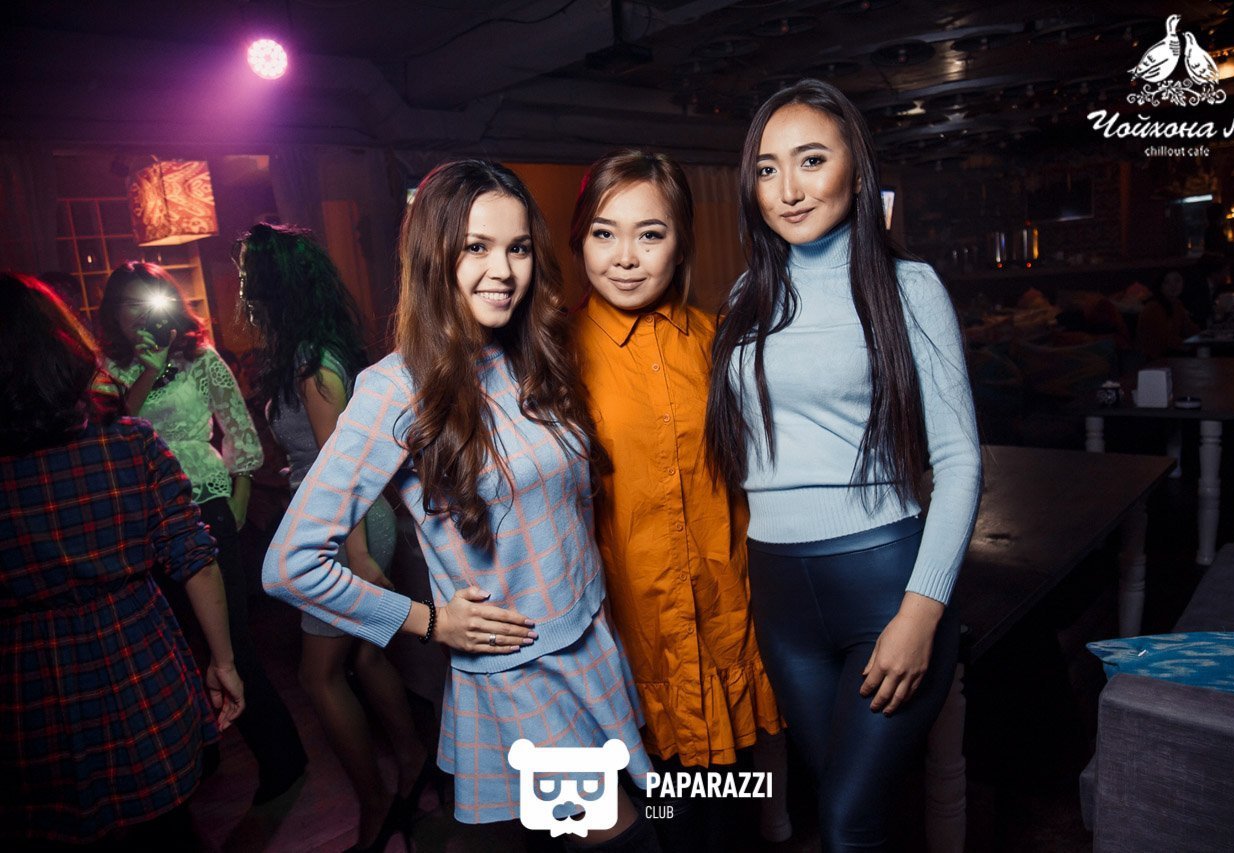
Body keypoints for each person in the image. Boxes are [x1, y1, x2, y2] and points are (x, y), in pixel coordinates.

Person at [262, 160, 657, 850]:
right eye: (476, 247)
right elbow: (291, 564)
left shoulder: (533, 354)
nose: (502, 270)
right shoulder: (394, 388)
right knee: (623, 840)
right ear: (432, 256)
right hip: (521, 675)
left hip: (590, 638)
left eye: (517, 247)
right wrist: (428, 621)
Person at [705, 79, 982, 851]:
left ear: (857, 173)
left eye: (811, 160)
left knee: (847, 821)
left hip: (884, 584)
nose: (787, 190)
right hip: (781, 596)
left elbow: (959, 460)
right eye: (767, 169)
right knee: (842, 806)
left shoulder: (906, 286)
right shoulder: (745, 296)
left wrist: (920, 613)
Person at [567, 149, 791, 849]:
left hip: (724, 628)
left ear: (681, 241)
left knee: (728, 822)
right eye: (604, 233)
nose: (625, 257)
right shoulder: (553, 355)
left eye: (650, 233)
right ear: (579, 239)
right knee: (662, 822)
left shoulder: (718, 342)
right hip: (630, 648)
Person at [0, 273, 245, 850]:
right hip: (134, 653)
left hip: (27, 678)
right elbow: (193, 558)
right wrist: (224, 662)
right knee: (164, 828)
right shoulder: (127, 441)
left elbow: (238, 442)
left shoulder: (177, 384)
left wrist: (236, 505)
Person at [236, 222, 432, 851]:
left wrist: (357, 558)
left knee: (318, 676)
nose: (241, 286)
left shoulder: (313, 364)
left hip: (344, 533)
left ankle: (376, 801)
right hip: (344, 528)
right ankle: (412, 768)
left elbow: (340, 470)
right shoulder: (308, 353)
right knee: (367, 657)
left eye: (247, 273)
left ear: (275, 284)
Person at [96, 262, 307, 805]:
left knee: (229, 640)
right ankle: (201, 754)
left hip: (205, 504)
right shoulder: (106, 372)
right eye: (127, 304)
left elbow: (239, 430)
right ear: (112, 313)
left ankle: (282, 757)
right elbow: (112, 437)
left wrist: (238, 500)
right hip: (143, 518)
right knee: (178, 643)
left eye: (148, 301)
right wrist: (147, 372)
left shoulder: (201, 358)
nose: (139, 314)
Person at [1137, 271, 1200, 360]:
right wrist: (1187, 344)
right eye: (1167, 282)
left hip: (1172, 353)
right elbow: (1164, 339)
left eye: (1177, 281)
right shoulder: (1153, 307)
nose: (1173, 285)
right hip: (1155, 358)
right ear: (1160, 285)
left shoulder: (1177, 304)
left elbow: (1189, 328)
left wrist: (1204, 336)